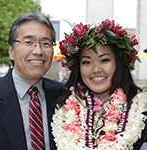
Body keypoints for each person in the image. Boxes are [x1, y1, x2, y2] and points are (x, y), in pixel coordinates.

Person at [51, 19, 147, 150]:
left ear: (119, 63)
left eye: (104, 60)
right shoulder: (63, 110)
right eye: (86, 62)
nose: (96, 69)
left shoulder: (141, 111)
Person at [0, 12, 65, 150]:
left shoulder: (65, 96)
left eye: (46, 43)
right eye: (28, 42)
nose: (38, 51)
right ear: (11, 51)